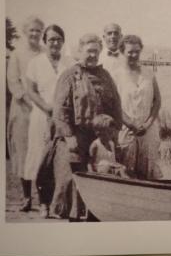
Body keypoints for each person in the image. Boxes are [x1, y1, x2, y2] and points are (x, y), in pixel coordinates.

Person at [52, 33, 123, 221]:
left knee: (100, 175)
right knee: (73, 175)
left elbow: (116, 104)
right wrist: (68, 136)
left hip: (99, 136)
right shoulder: (69, 75)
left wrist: (115, 130)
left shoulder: (105, 75)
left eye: (96, 51)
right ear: (79, 51)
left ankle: (95, 214)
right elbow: (60, 108)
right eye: (88, 51)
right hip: (76, 134)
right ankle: (73, 215)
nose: (92, 55)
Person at [24, 24, 73, 217]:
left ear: (63, 41)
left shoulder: (70, 62)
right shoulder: (35, 63)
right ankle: (42, 203)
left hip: (64, 119)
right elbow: (30, 90)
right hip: (41, 117)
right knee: (40, 158)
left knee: (60, 160)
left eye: (58, 39)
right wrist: (47, 108)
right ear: (45, 41)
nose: (55, 43)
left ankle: (57, 203)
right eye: (51, 39)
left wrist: (62, 113)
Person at [7, 16, 44, 212]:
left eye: (38, 31)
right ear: (25, 32)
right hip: (22, 111)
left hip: (42, 111)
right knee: (23, 153)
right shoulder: (17, 54)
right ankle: (26, 197)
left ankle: (43, 199)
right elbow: (13, 82)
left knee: (41, 152)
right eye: (31, 30)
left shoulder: (46, 53)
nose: (35, 34)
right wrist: (29, 100)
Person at [116, 35, 163, 180]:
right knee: (127, 170)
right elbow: (114, 106)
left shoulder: (148, 73)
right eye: (130, 52)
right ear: (123, 52)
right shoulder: (116, 75)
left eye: (137, 51)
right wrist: (131, 124)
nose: (134, 55)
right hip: (126, 129)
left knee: (149, 170)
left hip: (148, 129)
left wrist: (148, 123)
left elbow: (157, 100)